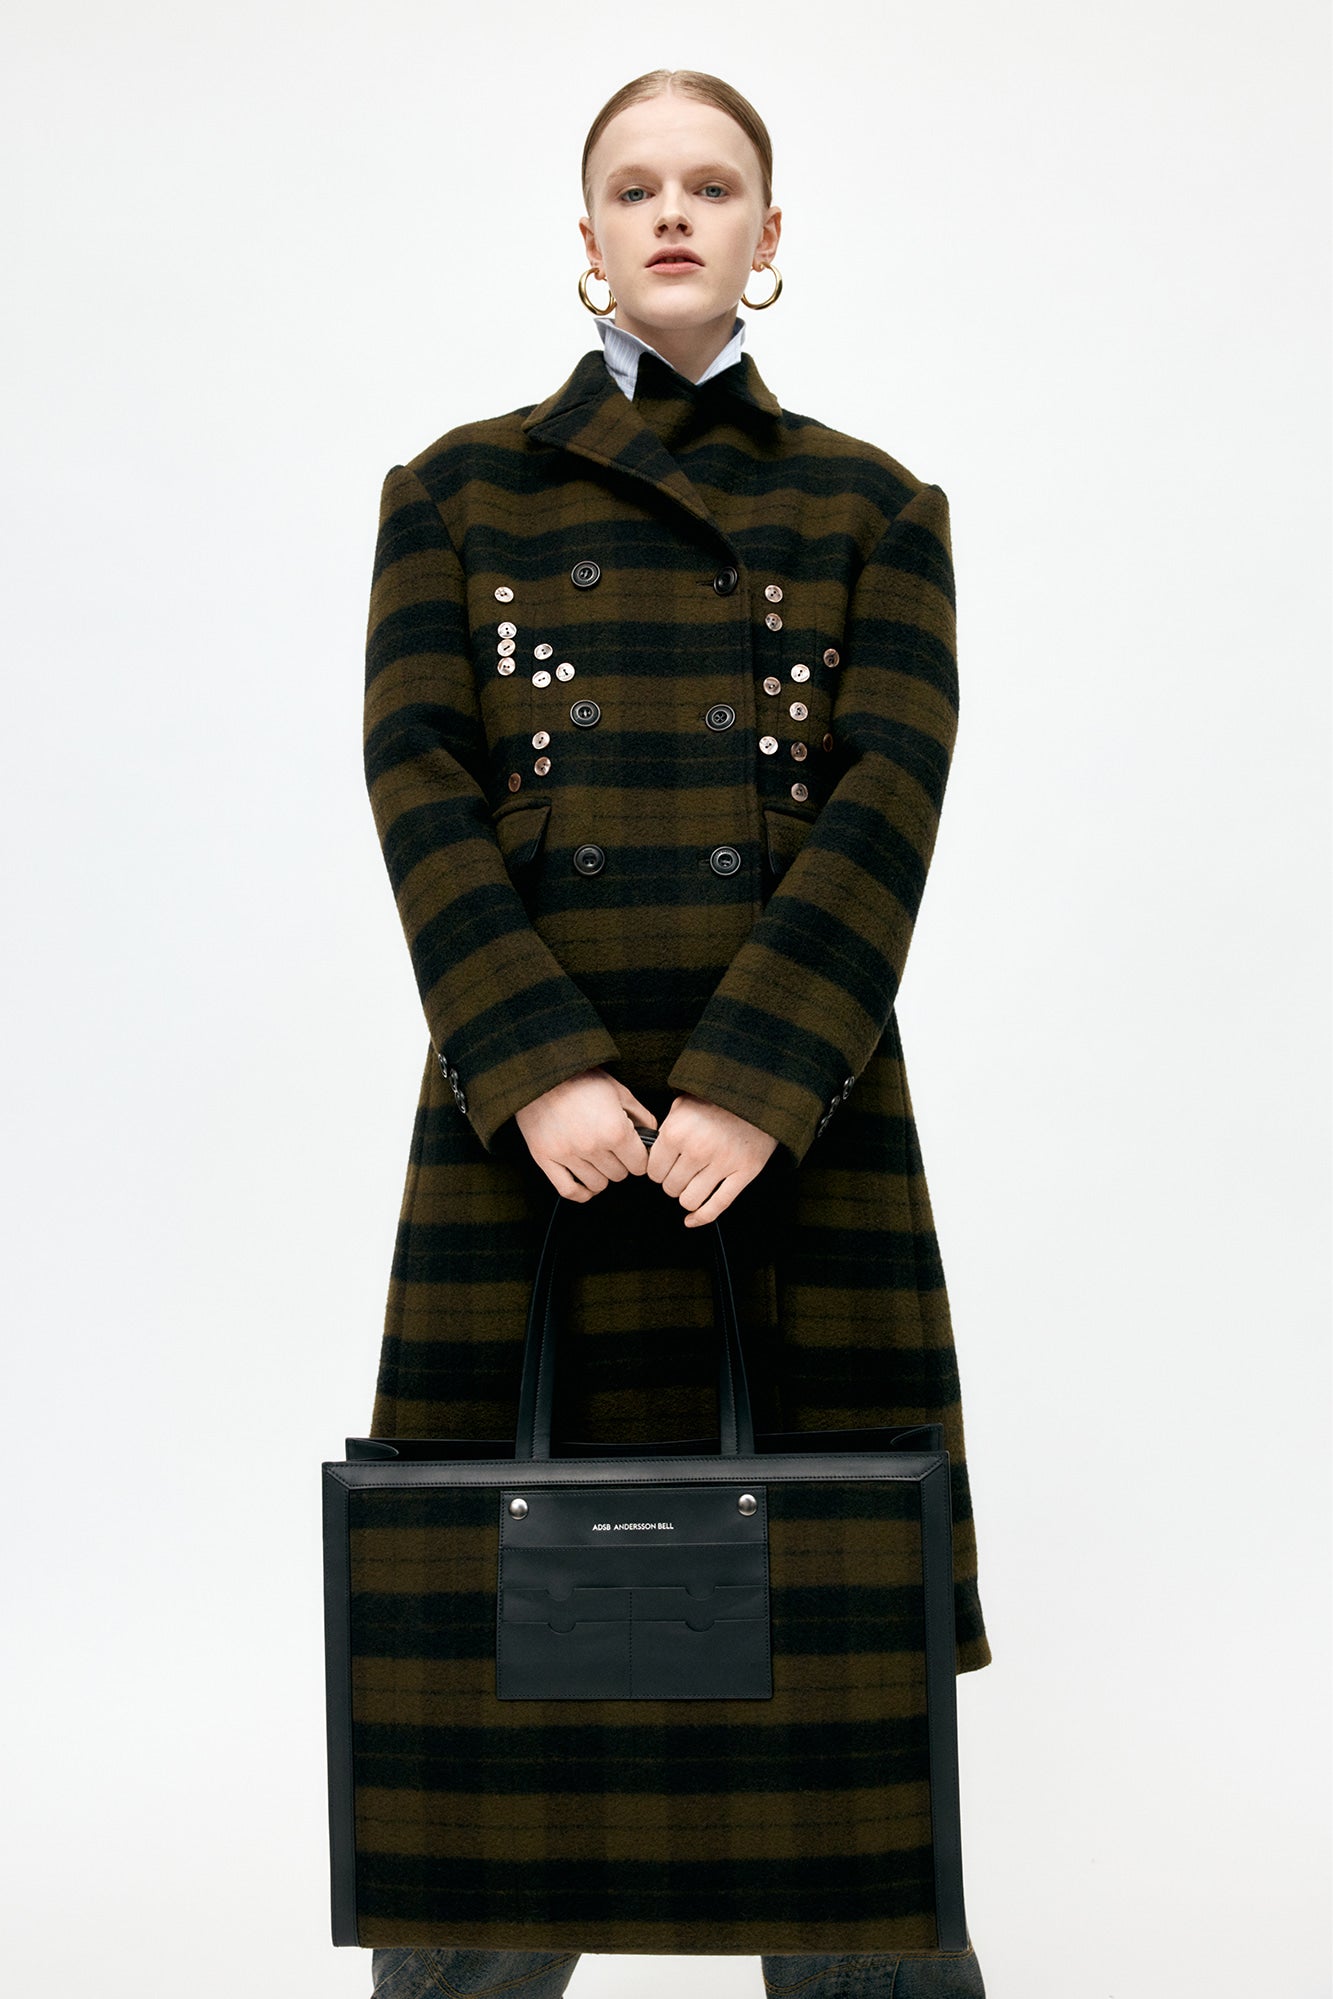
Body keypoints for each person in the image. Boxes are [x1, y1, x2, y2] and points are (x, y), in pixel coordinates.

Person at [360, 67, 990, 1999]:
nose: (671, 215)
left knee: (839, 1692)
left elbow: (888, 795)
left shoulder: (875, 504)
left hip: (801, 1133)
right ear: (587, 238)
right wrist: (535, 1064)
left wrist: (754, 1084)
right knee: (487, 1676)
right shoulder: (451, 492)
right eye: (633, 187)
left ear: (766, 237)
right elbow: (416, 780)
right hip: (525, 1137)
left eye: (710, 186)